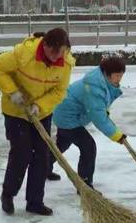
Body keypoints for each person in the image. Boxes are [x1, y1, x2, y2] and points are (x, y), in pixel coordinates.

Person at [0, 28, 75, 216]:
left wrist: (40, 106)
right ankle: (8, 194)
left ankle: (35, 202)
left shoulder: (66, 63)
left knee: (41, 156)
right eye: (54, 52)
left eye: (62, 53)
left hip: (41, 113)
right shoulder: (23, 54)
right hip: (16, 111)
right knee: (22, 153)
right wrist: (12, 92)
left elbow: (59, 92)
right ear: (45, 45)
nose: (57, 58)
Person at [48, 56, 127, 188]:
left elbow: (98, 107)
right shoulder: (94, 87)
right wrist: (116, 135)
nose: (119, 79)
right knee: (88, 147)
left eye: (121, 76)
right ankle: (84, 185)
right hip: (68, 117)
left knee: (62, 144)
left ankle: (43, 168)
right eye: (117, 76)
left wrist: (103, 110)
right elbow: (99, 118)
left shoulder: (101, 81)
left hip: (67, 114)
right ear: (107, 74)